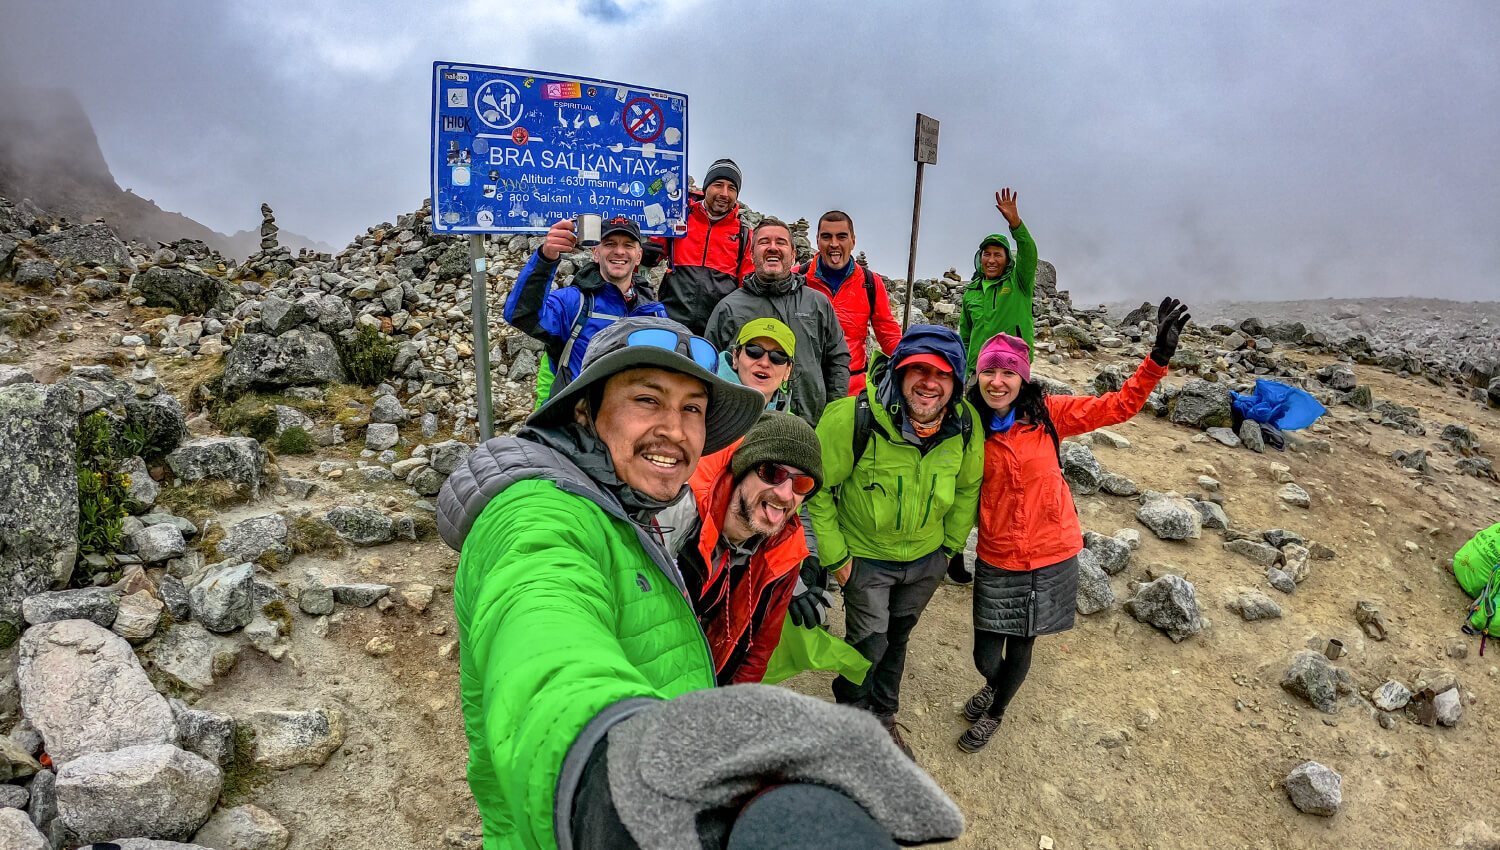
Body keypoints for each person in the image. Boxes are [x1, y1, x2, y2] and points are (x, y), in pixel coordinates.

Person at [436, 316, 962, 849]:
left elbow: (751, 650)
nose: (675, 428)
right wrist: (611, 785)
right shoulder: (538, 514)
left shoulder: (632, 507)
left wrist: (724, 728)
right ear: (583, 408)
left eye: (693, 409)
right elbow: (543, 648)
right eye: (647, 399)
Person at [956, 298, 1191, 754]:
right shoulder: (966, 425)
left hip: (1052, 553)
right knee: (986, 654)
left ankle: (997, 710)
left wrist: (1157, 359)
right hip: (998, 554)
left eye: (1008, 372)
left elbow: (1119, 406)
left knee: (1022, 645)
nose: (998, 381)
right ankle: (997, 685)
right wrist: (949, 552)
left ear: (1022, 377)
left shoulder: (1049, 415)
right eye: (989, 371)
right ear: (978, 375)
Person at [805, 324, 984, 758]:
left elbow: (967, 487)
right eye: (918, 369)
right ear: (899, 372)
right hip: (864, 557)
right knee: (868, 641)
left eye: (942, 374)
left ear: (956, 383)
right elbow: (817, 490)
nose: (929, 382)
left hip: (926, 559)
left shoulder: (964, 423)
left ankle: (883, 717)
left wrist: (947, 550)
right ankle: (852, 717)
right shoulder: (853, 417)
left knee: (898, 637)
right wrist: (837, 559)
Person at [656, 411, 823, 684]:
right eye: (772, 473)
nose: (784, 493)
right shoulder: (676, 513)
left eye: (801, 483)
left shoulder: (785, 552)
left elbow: (758, 651)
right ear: (743, 469)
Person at [705, 217, 850, 427]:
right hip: (745, 429)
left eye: (781, 242)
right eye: (764, 242)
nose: (773, 248)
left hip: (811, 425)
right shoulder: (729, 308)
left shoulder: (817, 303)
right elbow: (711, 368)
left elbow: (838, 359)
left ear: (793, 254)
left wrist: (833, 415)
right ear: (751, 253)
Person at [503, 214, 665, 401]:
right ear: (595, 253)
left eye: (628, 245)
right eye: (610, 244)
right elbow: (521, 314)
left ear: (638, 257)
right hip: (579, 422)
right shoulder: (573, 302)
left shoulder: (654, 311)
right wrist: (546, 257)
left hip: (631, 422)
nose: (619, 251)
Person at [643, 158, 756, 335]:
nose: (724, 193)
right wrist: (645, 255)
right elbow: (652, 256)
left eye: (731, 188)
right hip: (671, 322)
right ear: (706, 187)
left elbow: (748, 287)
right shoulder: (680, 216)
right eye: (718, 185)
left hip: (717, 330)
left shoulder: (744, 234)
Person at [795, 211, 903, 395]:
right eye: (826, 236)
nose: (834, 244)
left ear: (853, 241)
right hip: (802, 388)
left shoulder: (870, 282)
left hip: (851, 391)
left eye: (841, 236)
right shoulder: (796, 278)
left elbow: (888, 335)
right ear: (817, 240)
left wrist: (912, 363)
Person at [958, 188, 1039, 372]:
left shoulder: (1019, 282)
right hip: (978, 371)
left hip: (1013, 368)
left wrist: (1016, 225)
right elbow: (965, 336)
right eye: (987, 254)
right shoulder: (971, 292)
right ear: (980, 258)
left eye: (997, 255)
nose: (991, 260)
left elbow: (1029, 253)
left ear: (1007, 259)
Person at [716, 316, 796, 413]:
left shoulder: (794, 425)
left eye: (778, 356)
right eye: (754, 351)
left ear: (788, 371)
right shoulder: (704, 403)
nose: (764, 363)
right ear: (736, 357)